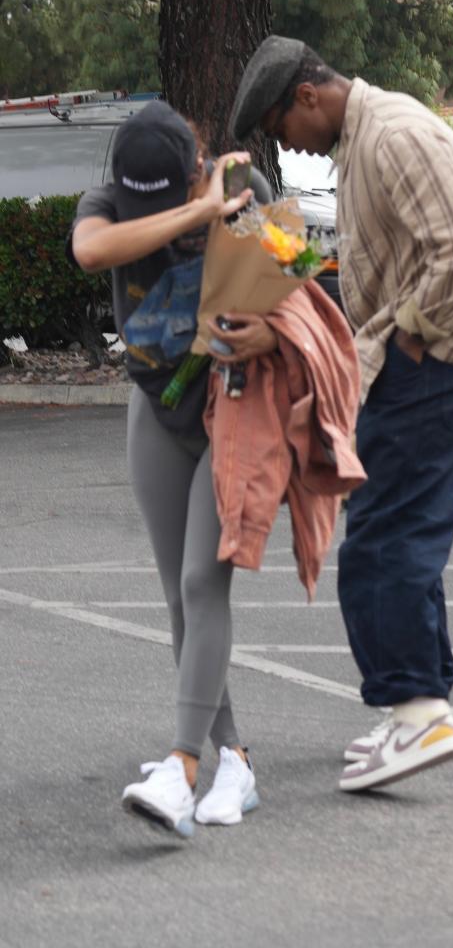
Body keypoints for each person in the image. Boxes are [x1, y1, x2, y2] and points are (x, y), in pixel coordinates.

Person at [230, 35, 453, 794]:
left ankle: (419, 712)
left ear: (308, 97)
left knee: (385, 540)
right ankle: (414, 706)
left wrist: (411, 336)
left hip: (440, 360)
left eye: (281, 128)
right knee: (396, 532)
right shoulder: (361, 142)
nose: (289, 148)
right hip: (418, 361)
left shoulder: (393, 136)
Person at [68, 99, 278, 834]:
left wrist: (265, 330)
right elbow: (93, 251)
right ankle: (235, 762)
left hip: (234, 410)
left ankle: (183, 770)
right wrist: (195, 216)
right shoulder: (109, 202)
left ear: (196, 165)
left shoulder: (244, 191)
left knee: (201, 579)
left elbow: (299, 287)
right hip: (157, 409)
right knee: (177, 598)